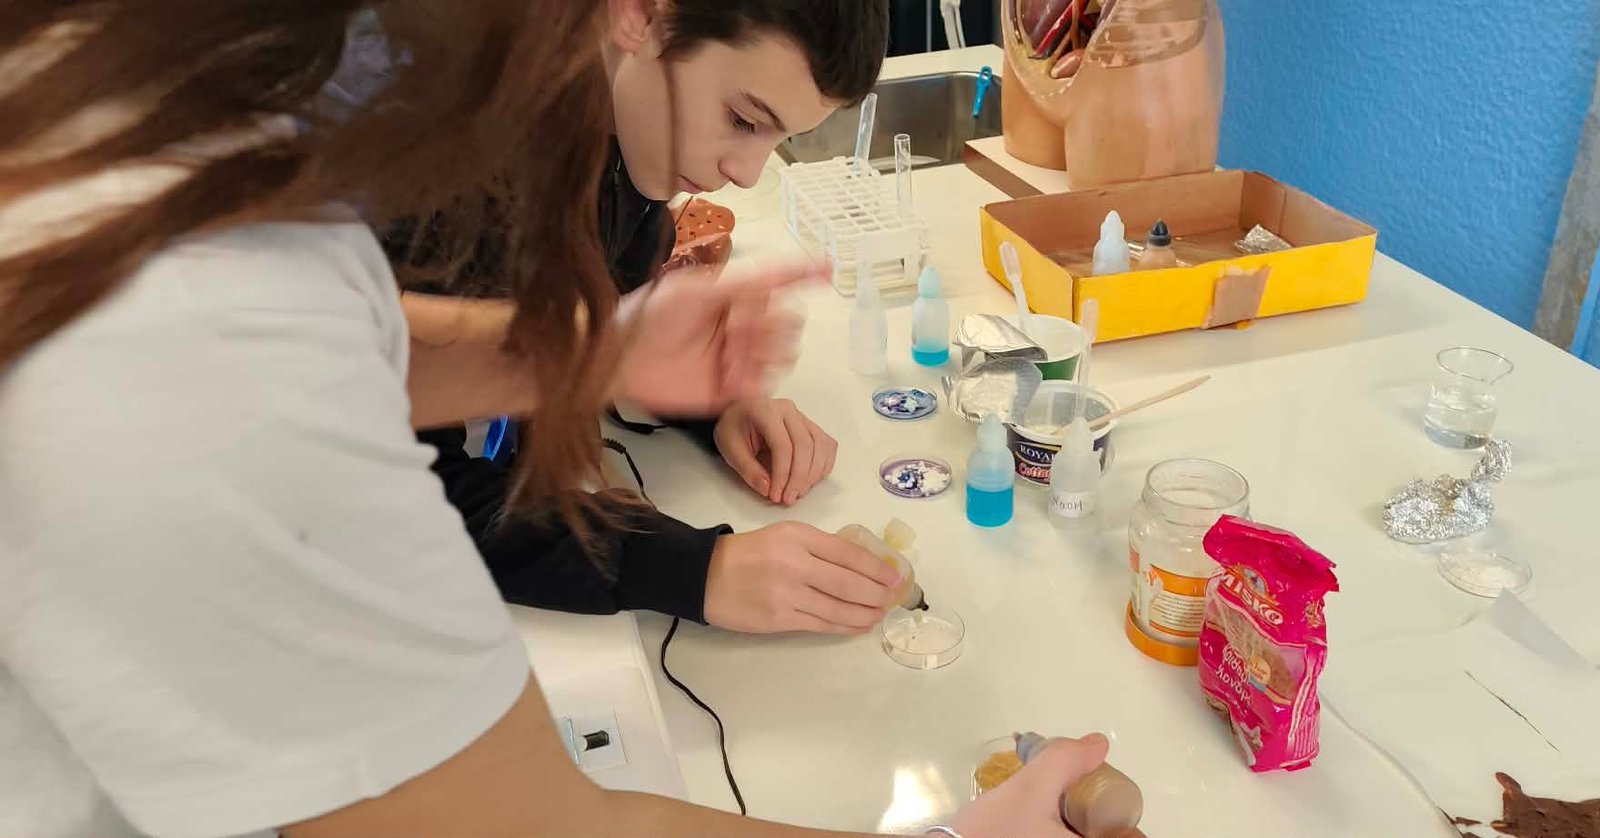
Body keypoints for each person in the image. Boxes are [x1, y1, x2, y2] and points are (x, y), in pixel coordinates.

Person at [0, 3, 1114, 838]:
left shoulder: (151, 147)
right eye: (742, 119)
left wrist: (606, 362)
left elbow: (349, 338)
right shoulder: (188, 337)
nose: (740, 171)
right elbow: (529, 820)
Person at [395, 0, 903, 636]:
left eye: (781, 140)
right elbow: (401, 487)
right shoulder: (440, 168)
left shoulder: (626, 135)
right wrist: (694, 570)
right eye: (743, 120)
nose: (747, 174)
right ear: (638, 15)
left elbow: (612, 316)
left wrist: (708, 396)